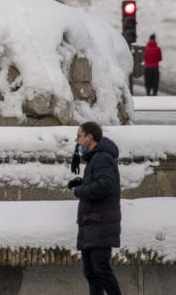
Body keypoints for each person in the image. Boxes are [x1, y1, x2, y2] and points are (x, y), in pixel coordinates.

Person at [67, 121, 122, 295]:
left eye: (79, 136)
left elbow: (105, 186)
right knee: (91, 272)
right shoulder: (96, 158)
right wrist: (82, 182)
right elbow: (100, 183)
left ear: (89, 137)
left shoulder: (102, 157)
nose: (77, 140)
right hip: (93, 222)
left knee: (101, 270)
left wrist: (79, 190)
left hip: (101, 222)